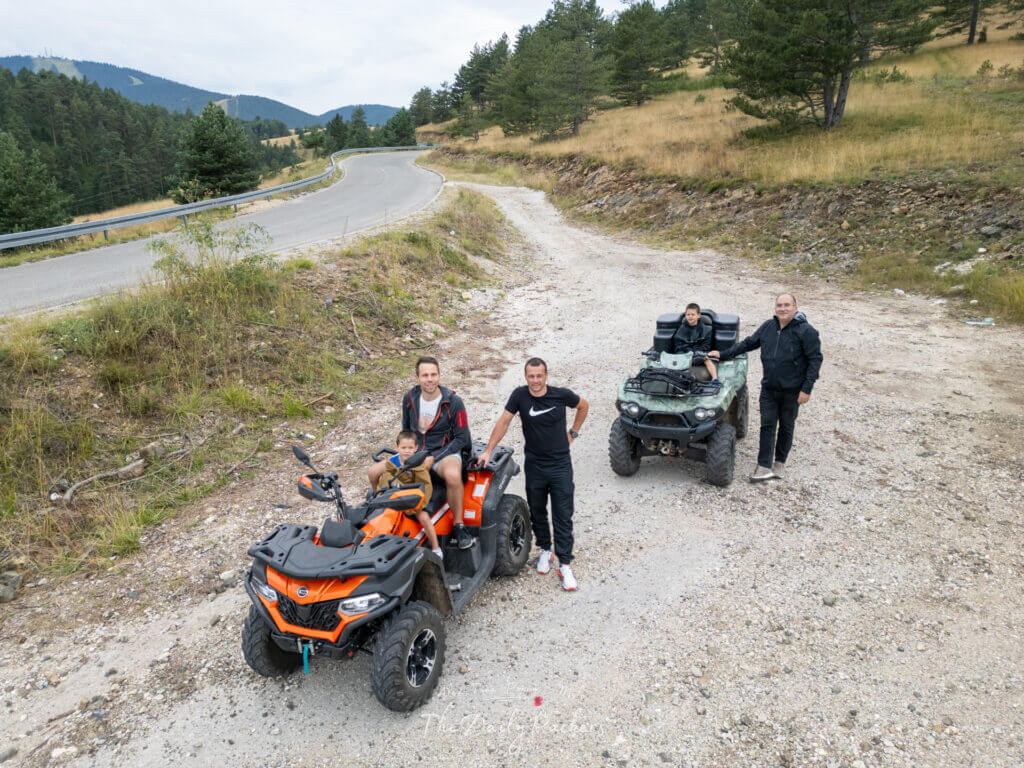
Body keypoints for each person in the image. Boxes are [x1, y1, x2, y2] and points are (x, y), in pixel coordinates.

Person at [476, 358, 589, 591]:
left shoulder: (561, 395)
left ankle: (565, 563)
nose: (535, 381)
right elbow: (504, 421)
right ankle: (546, 549)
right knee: (536, 510)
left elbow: (583, 406)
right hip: (535, 464)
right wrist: (488, 451)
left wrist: (574, 433)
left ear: (546, 375)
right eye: (531, 376)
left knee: (562, 513)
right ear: (526, 377)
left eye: (539, 376)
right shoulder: (520, 396)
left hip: (560, 465)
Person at [709, 293, 822, 482]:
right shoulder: (768, 327)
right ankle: (763, 467)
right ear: (775, 308)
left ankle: (780, 463)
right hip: (769, 388)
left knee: (786, 426)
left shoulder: (806, 331)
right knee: (767, 426)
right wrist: (722, 354)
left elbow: (815, 360)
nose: (783, 308)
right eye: (779, 305)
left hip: (793, 391)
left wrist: (807, 389)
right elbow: (748, 344)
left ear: (795, 308)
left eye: (787, 305)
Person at [367, 356, 474, 549]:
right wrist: (406, 454)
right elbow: (406, 430)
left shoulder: (453, 401)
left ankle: (459, 525)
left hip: (445, 451)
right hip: (417, 451)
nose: (430, 379)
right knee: (373, 472)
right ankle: (378, 510)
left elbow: (462, 438)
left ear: (439, 375)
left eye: (433, 374)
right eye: (425, 375)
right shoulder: (410, 398)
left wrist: (435, 457)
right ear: (417, 378)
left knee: (452, 475)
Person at [375, 430, 442, 559]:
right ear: (396, 447)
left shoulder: (418, 464)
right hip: (395, 496)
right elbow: (385, 480)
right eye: (403, 447)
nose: (407, 451)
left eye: (410, 448)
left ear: (416, 448)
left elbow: (425, 486)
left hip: (413, 497)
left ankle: (436, 548)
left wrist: (418, 504)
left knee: (424, 518)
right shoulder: (391, 463)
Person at [670, 302, 717, 382]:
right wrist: (687, 352)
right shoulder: (681, 329)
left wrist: (695, 353)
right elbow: (678, 344)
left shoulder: (706, 330)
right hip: (684, 354)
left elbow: (706, 346)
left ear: (698, 315)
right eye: (688, 315)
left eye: (693, 314)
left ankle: (715, 378)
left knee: (707, 359)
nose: (690, 317)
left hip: (698, 354)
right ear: (685, 315)